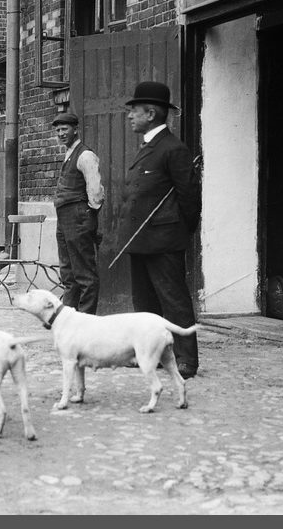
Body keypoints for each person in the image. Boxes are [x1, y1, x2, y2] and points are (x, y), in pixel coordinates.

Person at [121, 81, 202, 379]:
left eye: (134, 111)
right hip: (139, 238)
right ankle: (151, 354)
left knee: (174, 301)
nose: (130, 116)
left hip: (164, 239)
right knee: (144, 304)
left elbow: (190, 198)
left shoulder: (173, 149)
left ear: (151, 113)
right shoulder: (147, 147)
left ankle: (187, 360)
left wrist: (179, 232)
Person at [52, 112, 105, 315]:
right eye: (58, 130)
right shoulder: (69, 154)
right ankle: (69, 318)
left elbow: (96, 191)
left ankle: (86, 320)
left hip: (78, 216)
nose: (61, 133)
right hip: (64, 218)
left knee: (84, 274)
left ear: (76, 129)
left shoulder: (85, 155)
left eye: (65, 129)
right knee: (68, 273)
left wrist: (87, 216)